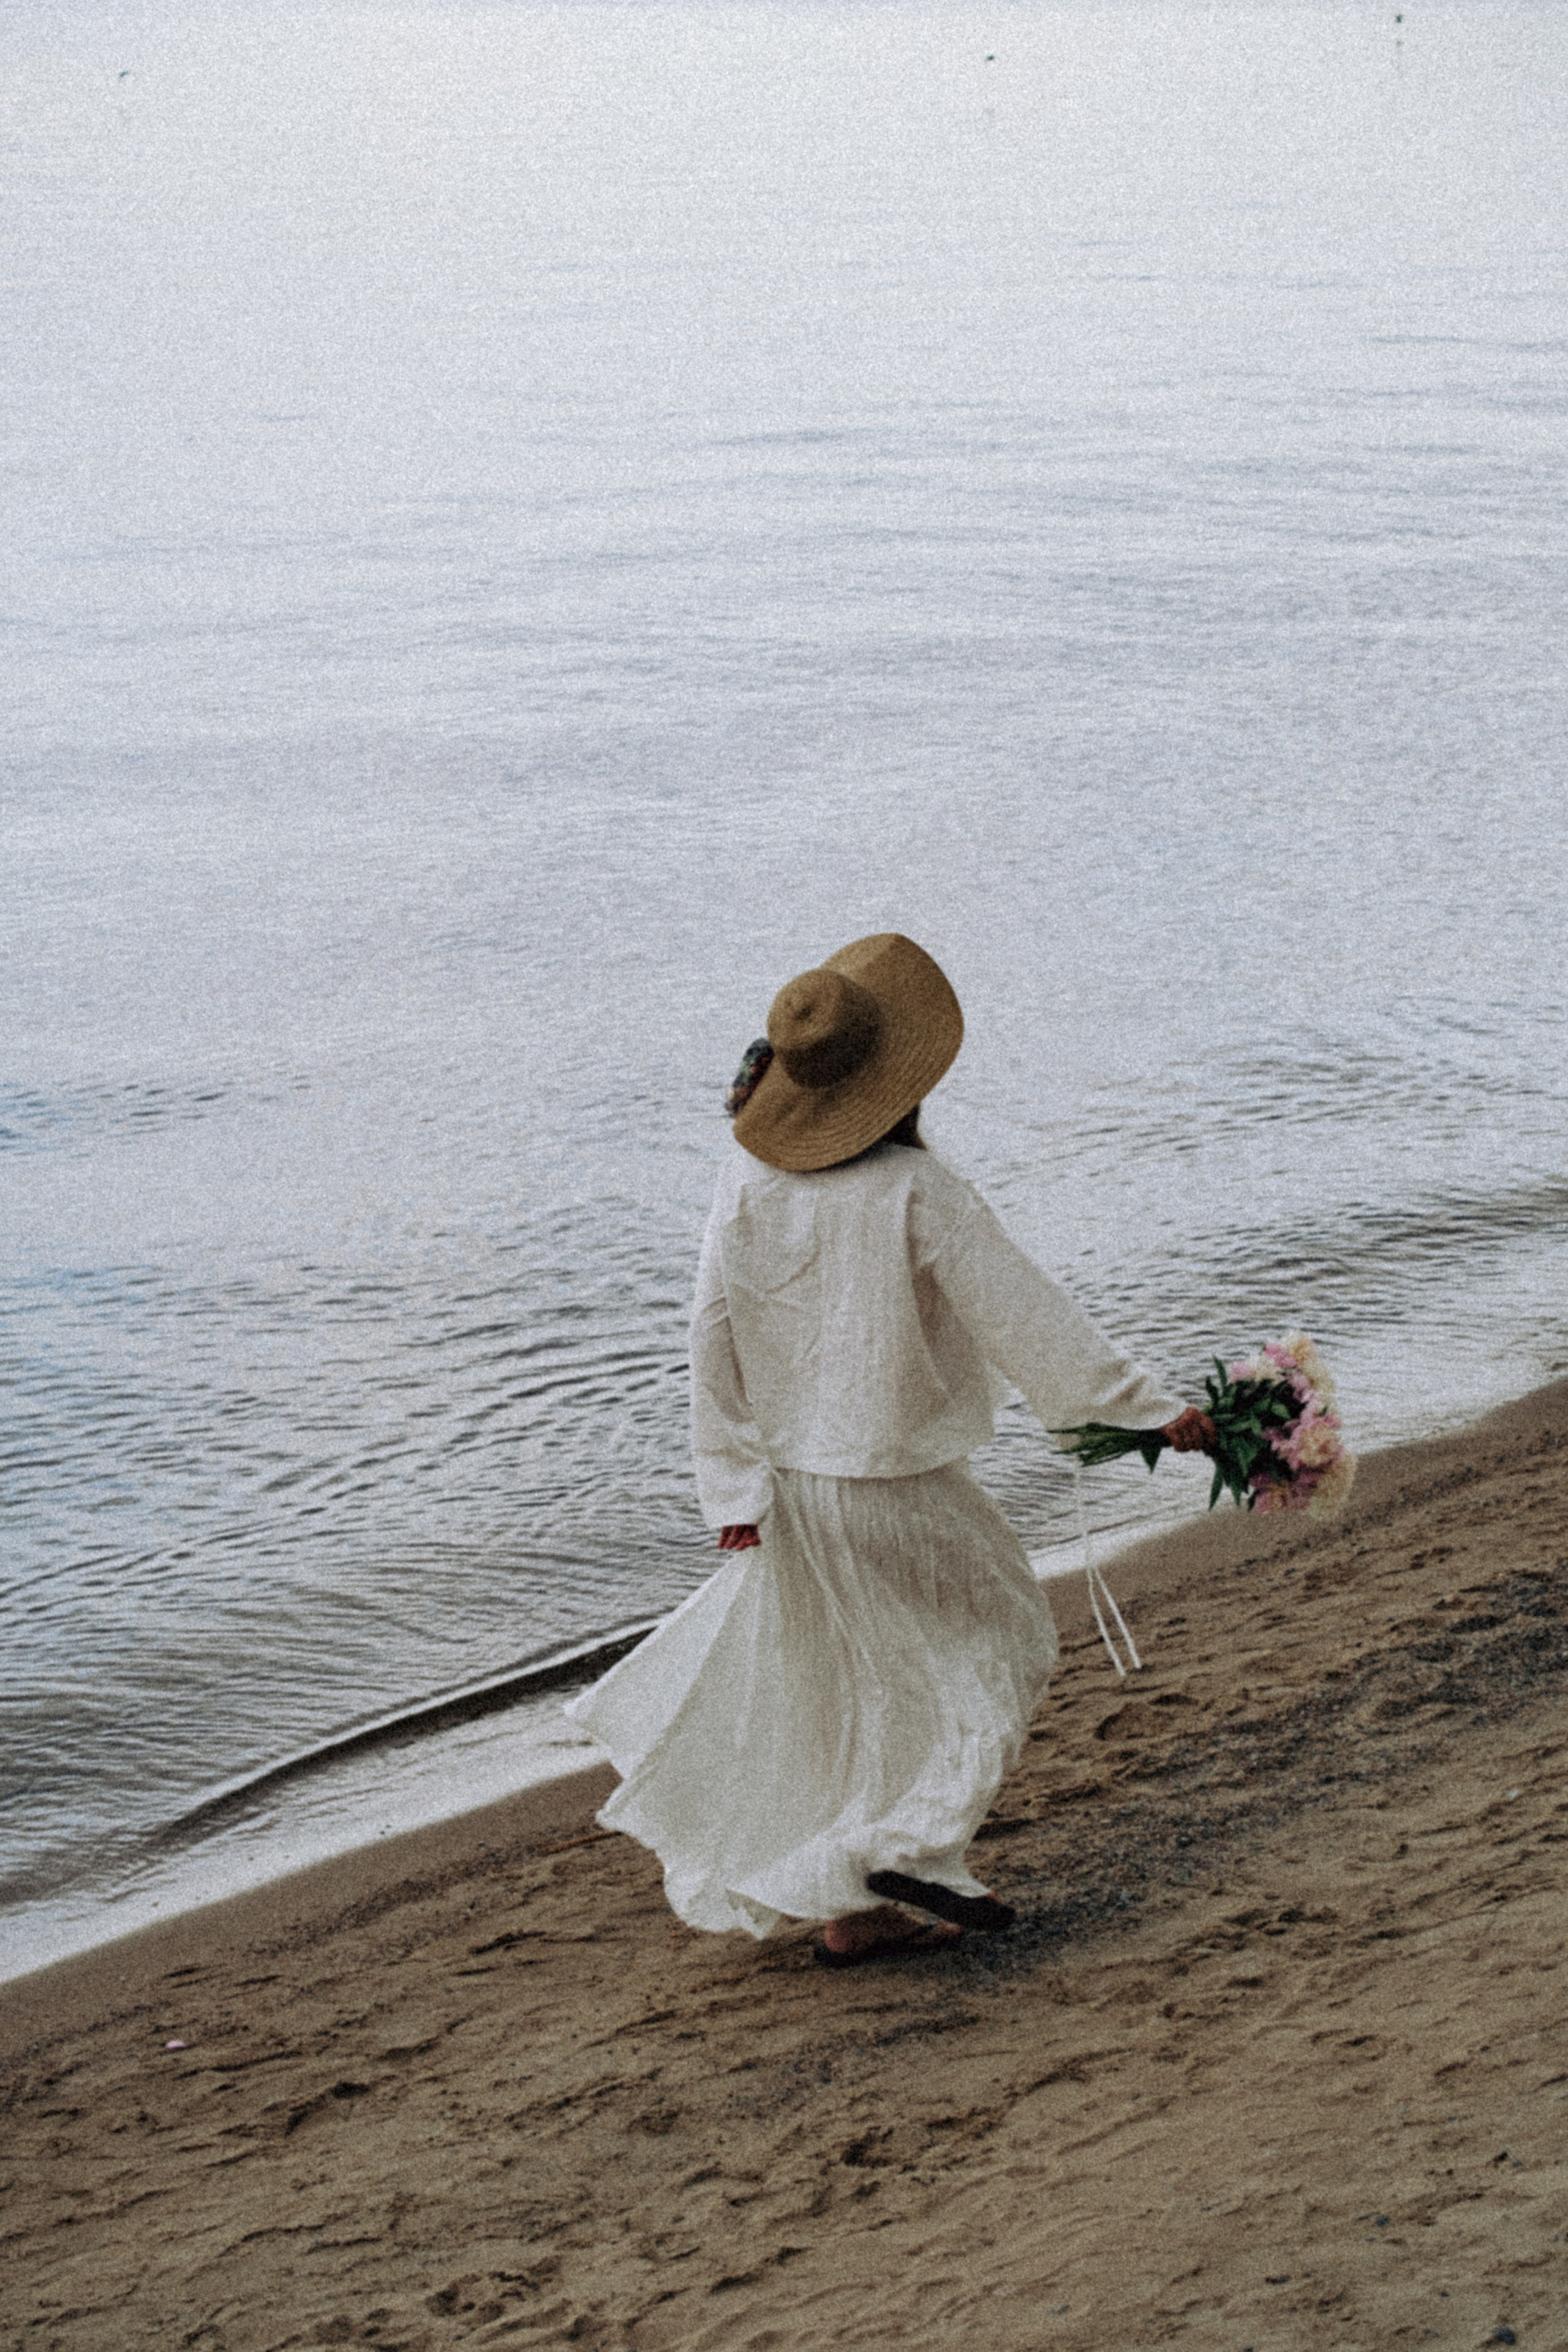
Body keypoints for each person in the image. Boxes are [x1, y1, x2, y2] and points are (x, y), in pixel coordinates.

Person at [565, 935, 1214, 1966]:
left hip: (792, 1488)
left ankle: (853, 1914)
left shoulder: (746, 1184)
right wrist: (1145, 1413)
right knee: (1002, 1635)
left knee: (849, 1685)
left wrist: (728, 1485)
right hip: (893, 1478)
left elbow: (710, 1333)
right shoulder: (919, 1190)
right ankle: (906, 1848)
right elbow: (1027, 1318)